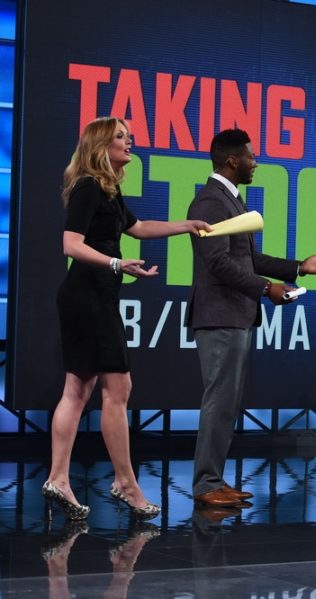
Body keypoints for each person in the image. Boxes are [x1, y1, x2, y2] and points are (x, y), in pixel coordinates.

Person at [46, 117, 211, 521]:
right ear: (101, 145)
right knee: (116, 387)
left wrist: (185, 226)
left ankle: (58, 479)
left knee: (78, 388)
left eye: (129, 135)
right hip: (89, 296)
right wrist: (116, 263)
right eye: (121, 136)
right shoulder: (89, 186)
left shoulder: (108, 189)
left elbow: (137, 228)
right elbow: (71, 244)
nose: (129, 141)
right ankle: (125, 483)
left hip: (89, 295)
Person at [187, 128, 316, 508]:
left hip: (235, 315)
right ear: (232, 160)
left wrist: (299, 268)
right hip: (220, 315)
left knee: (226, 402)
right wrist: (266, 288)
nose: (256, 163)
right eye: (251, 157)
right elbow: (218, 263)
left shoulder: (230, 201)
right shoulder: (210, 202)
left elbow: (247, 260)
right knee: (218, 402)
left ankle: (213, 481)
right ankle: (206, 485)